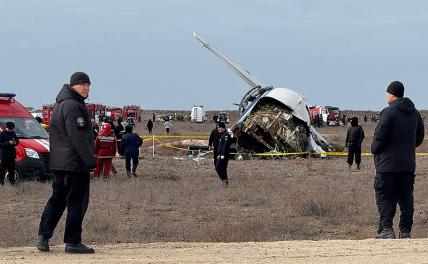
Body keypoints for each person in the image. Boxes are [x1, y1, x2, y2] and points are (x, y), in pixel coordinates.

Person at [37, 72, 96, 254]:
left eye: (89, 85)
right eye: (84, 84)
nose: (88, 88)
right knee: (77, 202)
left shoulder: (61, 104)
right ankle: (73, 242)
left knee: (57, 199)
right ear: (75, 86)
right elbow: (77, 136)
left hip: (59, 163)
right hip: (74, 163)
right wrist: (90, 161)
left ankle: (43, 236)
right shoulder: (73, 106)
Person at [371, 81, 424, 239]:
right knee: (406, 199)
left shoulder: (388, 112)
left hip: (387, 166)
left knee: (385, 198)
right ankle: (405, 231)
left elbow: (379, 137)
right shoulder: (415, 113)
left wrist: (375, 149)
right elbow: (420, 137)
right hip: (407, 165)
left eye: (387, 92)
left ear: (392, 94)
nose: (386, 95)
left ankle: (387, 229)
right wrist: (406, 148)